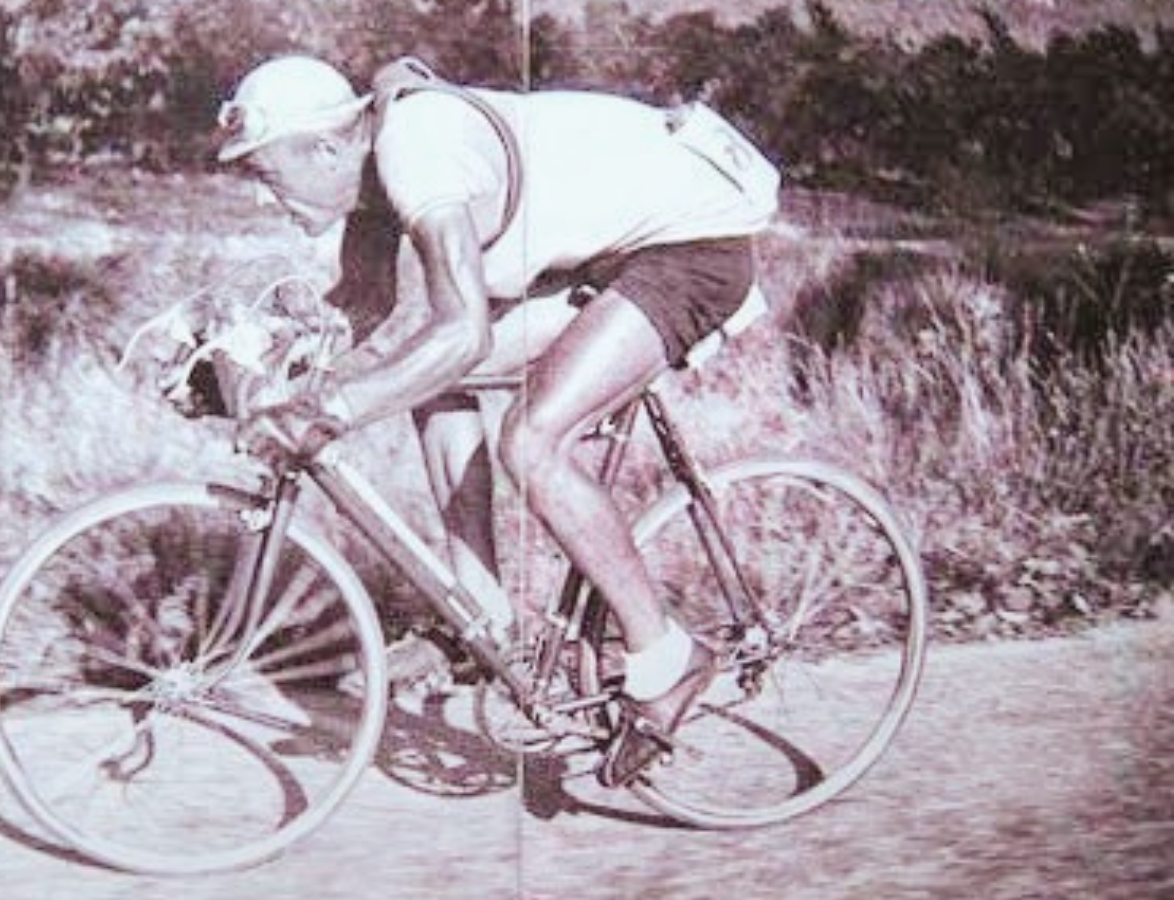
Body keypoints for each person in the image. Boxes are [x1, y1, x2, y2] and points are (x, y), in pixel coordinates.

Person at [217, 54, 778, 786]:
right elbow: (361, 312)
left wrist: (334, 409)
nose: (266, 199)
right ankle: (479, 612)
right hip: (613, 250)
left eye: (266, 174)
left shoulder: (418, 153)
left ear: (324, 147)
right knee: (427, 376)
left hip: (693, 249)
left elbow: (464, 334)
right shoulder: (368, 184)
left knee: (531, 439)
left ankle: (667, 657)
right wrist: (254, 363)